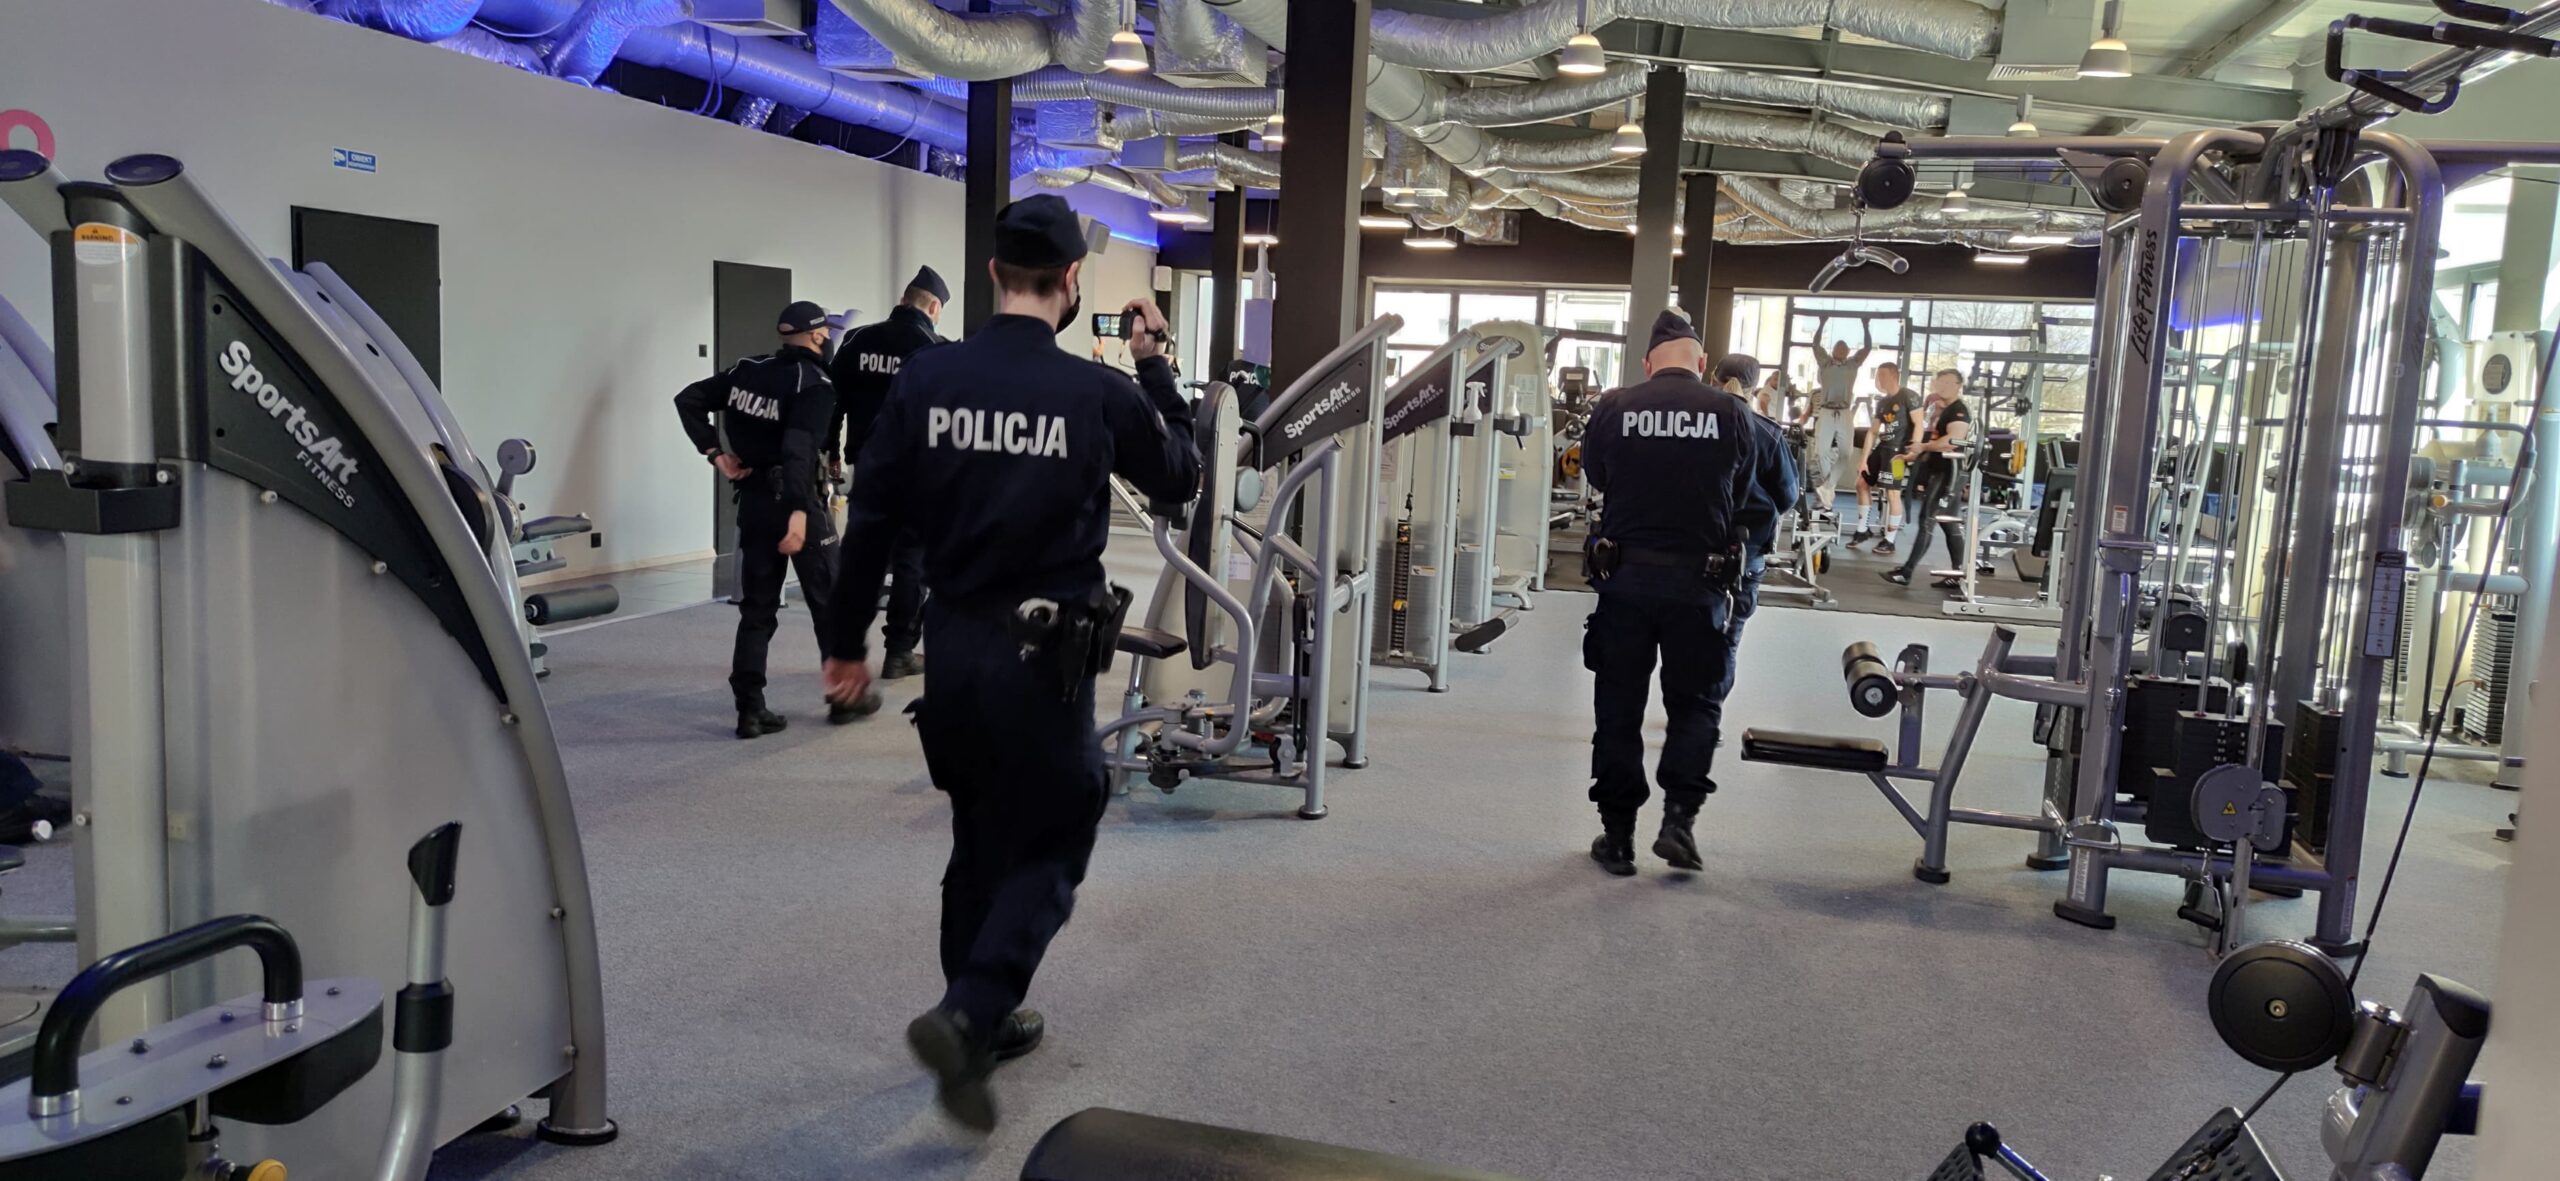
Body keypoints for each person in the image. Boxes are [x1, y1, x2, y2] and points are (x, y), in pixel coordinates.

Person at [819, 194, 1200, 1131]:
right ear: (1071, 281)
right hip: (1044, 657)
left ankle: (974, 1023)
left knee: (978, 828)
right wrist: (1154, 362)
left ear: (993, 274)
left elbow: (871, 519)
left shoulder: (926, 378)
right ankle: (974, 1006)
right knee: (1061, 823)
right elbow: (1180, 474)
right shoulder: (1095, 391)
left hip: (953, 647)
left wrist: (846, 644)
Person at [1579, 308, 1787, 878]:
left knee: (1618, 706)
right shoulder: (1733, 412)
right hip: (1701, 585)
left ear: (1648, 364)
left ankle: (1617, 836)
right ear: (1702, 363)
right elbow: (1743, 490)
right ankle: (1679, 821)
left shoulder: (1615, 407)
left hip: (1625, 582)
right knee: (1696, 705)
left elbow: (1597, 475)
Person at [673, 300, 877, 737]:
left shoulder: (747, 370)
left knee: (757, 610)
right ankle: (844, 698)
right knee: (830, 603)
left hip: (754, 502)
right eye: (827, 334)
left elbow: (687, 399)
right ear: (818, 336)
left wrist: (716, 453)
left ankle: (750, 709)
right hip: (797, 503)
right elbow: (798, 451)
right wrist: (800, 513)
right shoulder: (815, 384)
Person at [829, 265, 949, 681]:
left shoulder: (858, 340)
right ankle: (899, 651)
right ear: (933, 308)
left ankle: (845, 652)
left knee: (863, 558)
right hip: (917, 471)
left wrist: (831, 451)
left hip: (867, 465)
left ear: (903, 300)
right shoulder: (934, 349)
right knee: (911, 560)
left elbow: (833, 399)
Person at [1711, 352, 1801, 664]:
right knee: (1729, 642)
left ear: (1713, 379)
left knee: (1688, 641)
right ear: (1755, 389)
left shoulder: (1695, 427)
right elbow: (1788, 496)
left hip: (1696, 547)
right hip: (1746, 552)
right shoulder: (1768, 434)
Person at [1883, 368, 1975, 588]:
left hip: (1949, 474)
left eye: (1948, 383)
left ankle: (1907, 572)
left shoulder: (1959, 411)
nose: (1942, 386)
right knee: (1948, 524)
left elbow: (1952, 441)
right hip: (1942, 471)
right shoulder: (1945, 409)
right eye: (1940, 382)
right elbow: (1936, 439)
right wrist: (1914, 455)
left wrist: (1923, 446)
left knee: (1927, 520)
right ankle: (1958, 574)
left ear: (1958, 386)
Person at [1795, 320, 1870, 516]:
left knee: (1846, 454)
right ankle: (1825, 496)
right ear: (1833, 350)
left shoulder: (1853, 364)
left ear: (1848, 352)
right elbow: (1815, 344)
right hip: (1826, 412)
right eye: (1838, 347)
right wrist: (1821, 323)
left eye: (1844, 348)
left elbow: (1867, 348)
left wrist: (1866, 326)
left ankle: (1827, 487)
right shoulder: (1825, 363)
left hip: (1844, 412)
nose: (1841, 350)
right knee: (1821, 454)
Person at [1851, 361, 1918, 553]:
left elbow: (1919, 424)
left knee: (1892, 493)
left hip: (1898, 453)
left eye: (1883, 375)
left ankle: (1889, 540)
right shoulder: (1883, 402)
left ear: (1894, 376)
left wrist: (1914, 450)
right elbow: (1873, 432)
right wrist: (1864, 459)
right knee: (1861, 483)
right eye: (1877, 376)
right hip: (1882, 449)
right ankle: (1862, 530)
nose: (1879, 379)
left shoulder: (1909, 396)